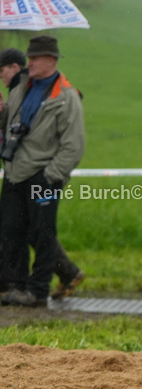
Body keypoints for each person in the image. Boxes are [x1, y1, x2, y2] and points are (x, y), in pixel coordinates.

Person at [0, 36, 85, 307]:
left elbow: (74, 145)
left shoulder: (67, 97)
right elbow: (9, 124)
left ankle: (37, 292)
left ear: (51, 59)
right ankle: (15, 286)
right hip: (14, 172)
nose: (30, 62)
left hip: (42, 175)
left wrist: (51, 176)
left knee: (42, 233)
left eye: (35, 58)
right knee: (11, 230)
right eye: (29, 57)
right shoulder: (21, 86)